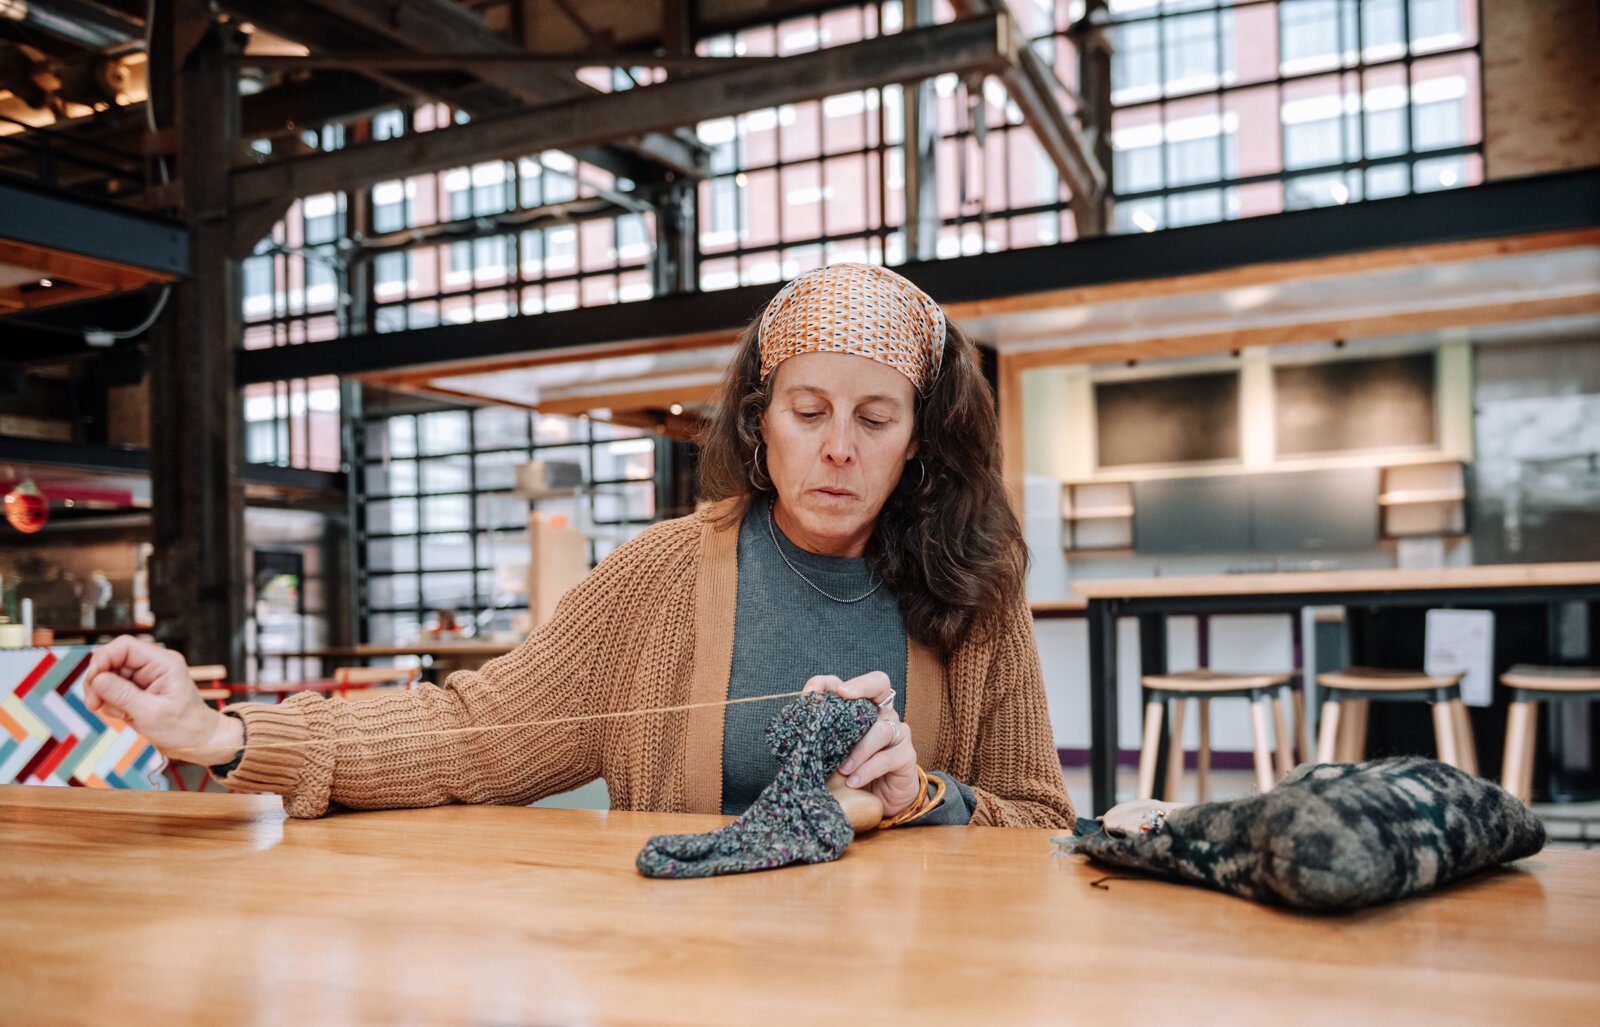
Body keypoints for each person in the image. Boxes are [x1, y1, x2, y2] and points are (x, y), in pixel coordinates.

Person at [82, 263, 1075, 828]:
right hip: (686, 980)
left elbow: (1040, 821)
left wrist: (924, 797)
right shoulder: (659, 577)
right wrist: (226, 734)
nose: (838, 447)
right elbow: (470, 733)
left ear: (919, 440)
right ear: (759, 421)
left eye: (875, 418)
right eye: (808, 410)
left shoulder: (973, 594)